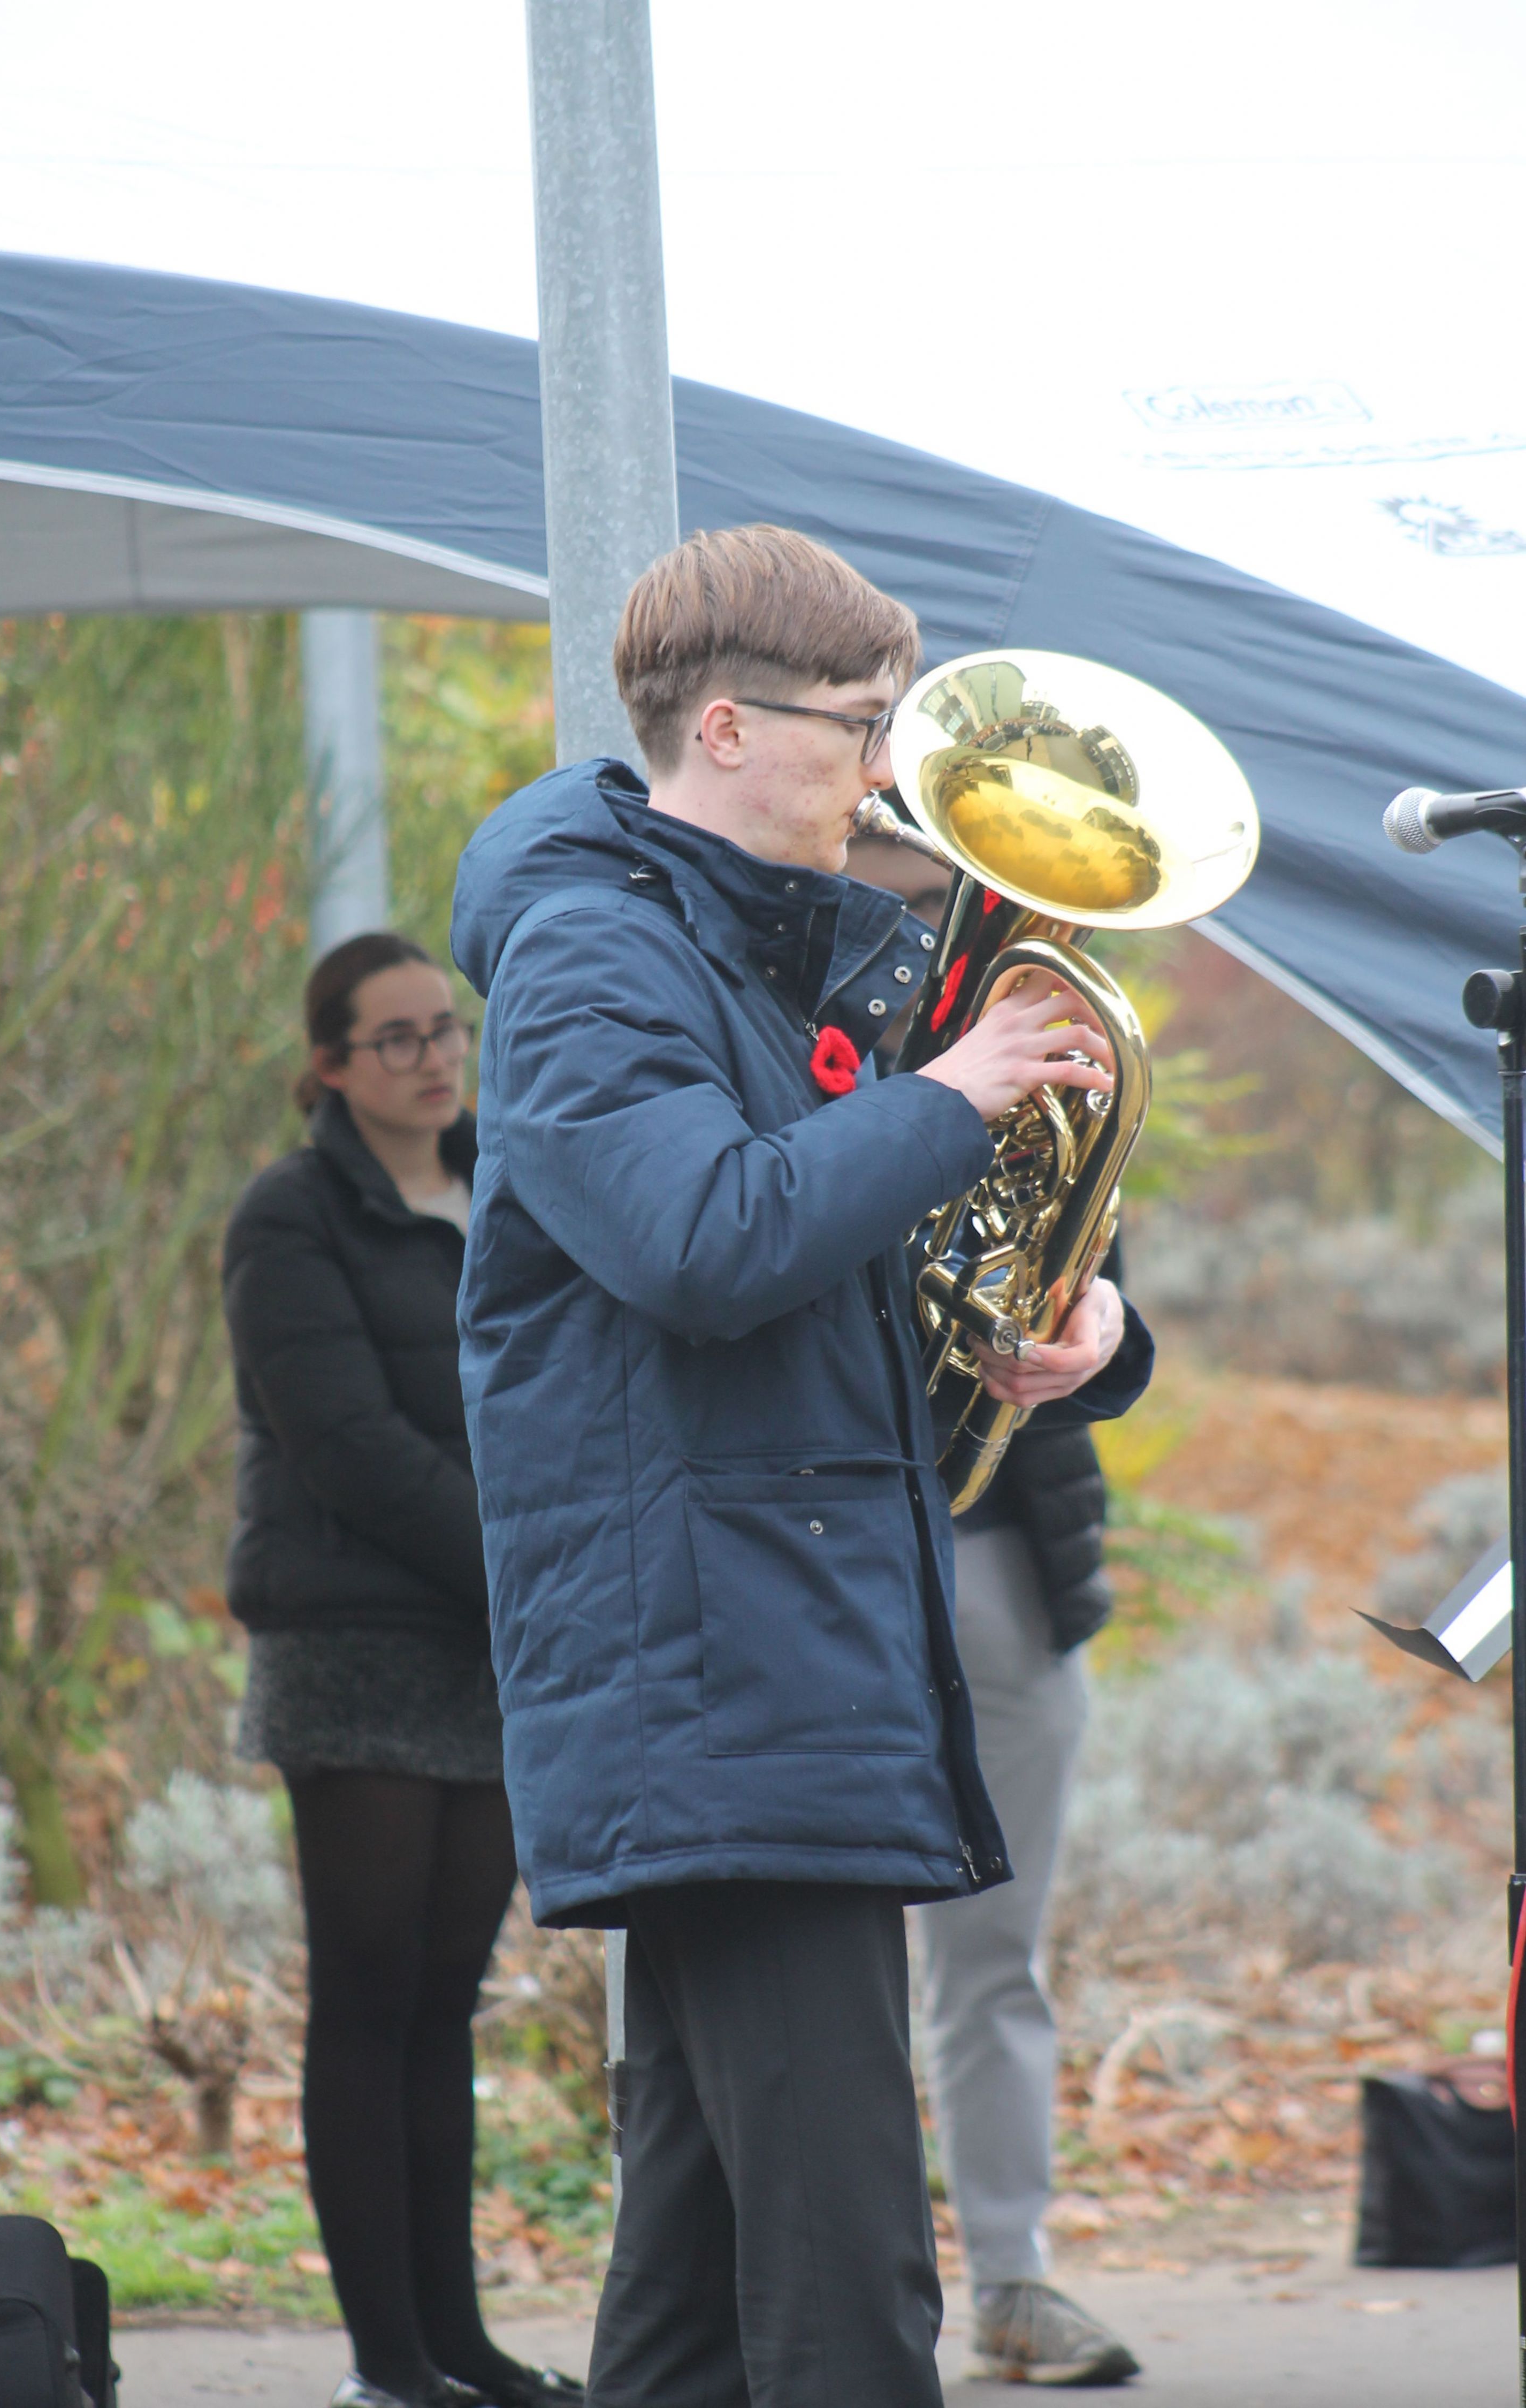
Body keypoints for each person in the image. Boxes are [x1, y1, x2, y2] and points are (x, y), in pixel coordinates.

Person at [451, 523, 1154, 2408]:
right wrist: (954, 1095)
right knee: (847, 2288)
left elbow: (906, 1245)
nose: (890, 775)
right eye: (863, 728)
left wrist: (1083, 1331)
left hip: (784, 1665)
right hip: (723, 1681)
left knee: (690, 2297)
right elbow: (705, 1239)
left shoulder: (804, 954)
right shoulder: (592, 959)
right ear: (735, 727)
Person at [222, 932, 583, 2408]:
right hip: (360, 1644)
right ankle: (388, 2362)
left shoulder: (515, 1188)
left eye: (448, 1028)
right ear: (329, 1067)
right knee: (368, 1995)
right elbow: (351, 1449)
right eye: (396, 1038)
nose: (436, 1056)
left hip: (495, 1646)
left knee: (448, 1998)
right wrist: (529, 1570)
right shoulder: (288, 1218)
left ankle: (461, 2344)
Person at [847, 825, 1145, 2387]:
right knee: (822, 1956)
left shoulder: (1026, 1008)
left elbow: (1092, 1262)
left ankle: (1016, 2279)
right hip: (827, 1534)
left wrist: (1093, 1322)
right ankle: (844, 2285)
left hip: (1002, 1548)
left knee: (996, 1951)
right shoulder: (778, 984)